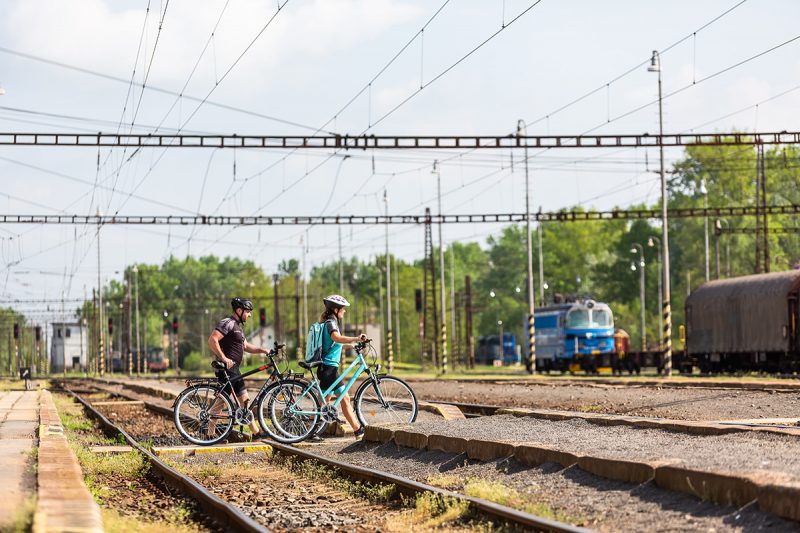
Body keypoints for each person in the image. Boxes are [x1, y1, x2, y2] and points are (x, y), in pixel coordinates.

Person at [207, 297, 269, 439]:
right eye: (247, 311)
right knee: (221, 401)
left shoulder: (238, 327)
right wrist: (223, 358)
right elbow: (212, 340)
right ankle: (210, 433)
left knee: (244, 400)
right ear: (239, 310)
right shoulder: (227, 323)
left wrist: (262, 350)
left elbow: (246, 346)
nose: (249, 314)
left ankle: (256, 433)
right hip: (227, 369)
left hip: (235, 369)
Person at [315, 294, 367, 438]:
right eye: (343, 308)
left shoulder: (329, 322)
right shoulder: (331, 322)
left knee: (331, 401)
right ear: (336, 309)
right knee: (338, 400)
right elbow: (335, 338)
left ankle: (315, 431)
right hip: (329, 369)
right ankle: (357, 430)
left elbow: (332, 344)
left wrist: (348, 345)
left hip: (328, 368)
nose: (344, 311)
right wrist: (356, 337)